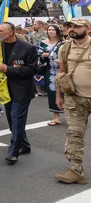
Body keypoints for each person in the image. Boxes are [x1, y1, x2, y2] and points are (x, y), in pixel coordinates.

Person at [0, 22, 38, 164]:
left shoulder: (28, 48)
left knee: (16, 117)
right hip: (6, 88)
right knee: (13, 120)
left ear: (11, 32)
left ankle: (13, 151)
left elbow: (31, 70)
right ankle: (24, 145)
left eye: (1, 31)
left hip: (22, 89)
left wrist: (8, 69)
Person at [55, 18, 91, 184]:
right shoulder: (65, 47)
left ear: (87, 28)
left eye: (77, 26)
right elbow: (62, 74)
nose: (72, 29)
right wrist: (59, 96)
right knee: (74, 134)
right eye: (70, 26)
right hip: (75, 98)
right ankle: (76, 170)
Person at [38, 24, 64, 126]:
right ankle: (56, 117)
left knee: (65, 93)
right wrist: (43, 57)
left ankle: (70, 116)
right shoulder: (43, 43)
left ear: (58, 31)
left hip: (63, 70)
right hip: (50, 72)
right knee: (52, 93)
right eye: (49, 29)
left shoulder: (64, 43)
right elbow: (39, 60)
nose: (51, 31)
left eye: (53, 29)